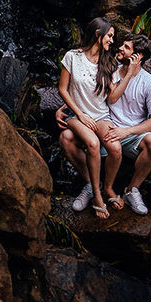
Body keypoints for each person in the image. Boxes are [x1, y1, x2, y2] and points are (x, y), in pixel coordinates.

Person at [58, 31, 151, 215]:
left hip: (130, 135)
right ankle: (92, 184)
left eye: (126, 47)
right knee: (66, 137)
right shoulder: (109, 69)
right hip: (103, 127)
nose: (120, 48)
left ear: (137, 57)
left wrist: (128, 131)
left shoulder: (149, 83)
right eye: (122, 45)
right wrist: (64, 106)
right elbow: (87, 91)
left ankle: (132, 190)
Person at [56, 17, 117, 219]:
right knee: (92, 142)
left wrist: (131, 73)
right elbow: (63, 89)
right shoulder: (72, 56)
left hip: (101, 115)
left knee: (115, 147)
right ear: (98, 35)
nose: (112, 41)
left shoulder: (109, 62)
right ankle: (97, 195)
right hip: (76, 114)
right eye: (110, 36)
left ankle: (102, 186)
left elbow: (113, 97)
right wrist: (80, 114)